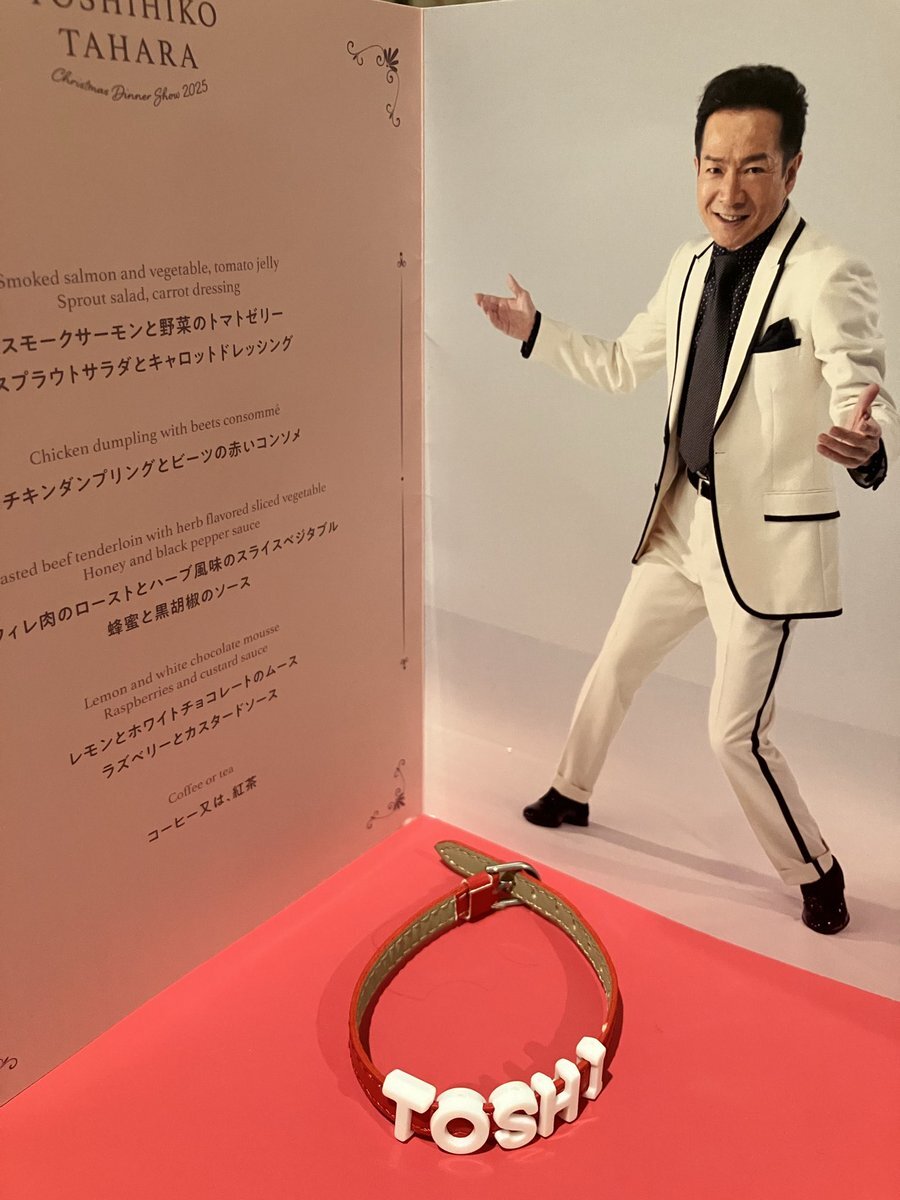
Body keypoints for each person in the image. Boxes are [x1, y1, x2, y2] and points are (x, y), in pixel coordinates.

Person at [475, 65, 897, 935]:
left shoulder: (827, 274)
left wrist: (869, 441)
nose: (729, 191)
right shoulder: (687, 265)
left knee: (733, 734)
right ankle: (572, 789)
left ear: (792, 168)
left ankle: (816, 870)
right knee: (615, 662)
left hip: (763, 545)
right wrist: (537, 332)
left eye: (754, 167)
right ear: (695, 166)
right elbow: (623, 365)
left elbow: (861, 385)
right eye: (713, 166)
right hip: (683, 521)